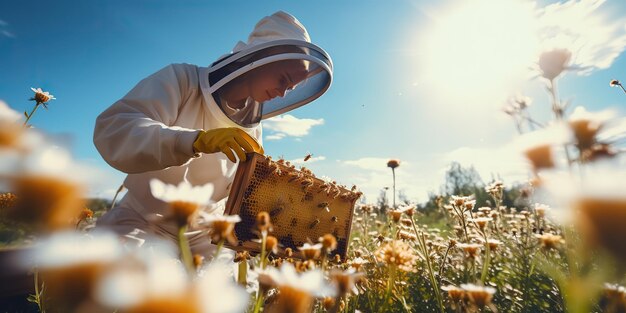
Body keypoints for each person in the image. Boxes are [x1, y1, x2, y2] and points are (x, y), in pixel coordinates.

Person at [93, 11, 333, 255]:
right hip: (141, 220)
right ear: (260, 58)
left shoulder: (253, 126)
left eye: (290, 88)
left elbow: (241, 192)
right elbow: (113, 127)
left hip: (205, 234)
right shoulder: (182, 80)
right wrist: (193, 141)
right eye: (283, 79)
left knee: (237, 288)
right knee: (118, 275)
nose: (283, 93)